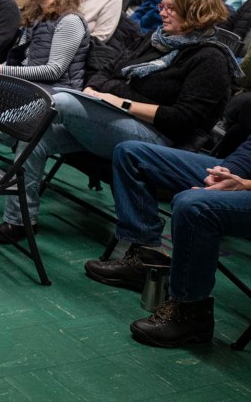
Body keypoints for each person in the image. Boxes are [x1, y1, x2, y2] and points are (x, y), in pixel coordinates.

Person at [0, 0, 236, 245]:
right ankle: (19, 220)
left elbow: (183, 119)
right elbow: (108, 69)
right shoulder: (157, 39)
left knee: (63, 101)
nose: (162, 12)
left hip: (158, 140)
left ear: (196, 11)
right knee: (35, 137)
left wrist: (121, 100)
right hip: (113, 121)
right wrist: (96, 89)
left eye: (172, 8)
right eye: (162, 5)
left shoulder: (209, 59)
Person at [82, 133, 251, 348]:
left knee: (193, 206)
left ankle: (191, 311)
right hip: (243, 179)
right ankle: (144, 258)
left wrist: (244, 184)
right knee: (130, 153)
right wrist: (226, 173)